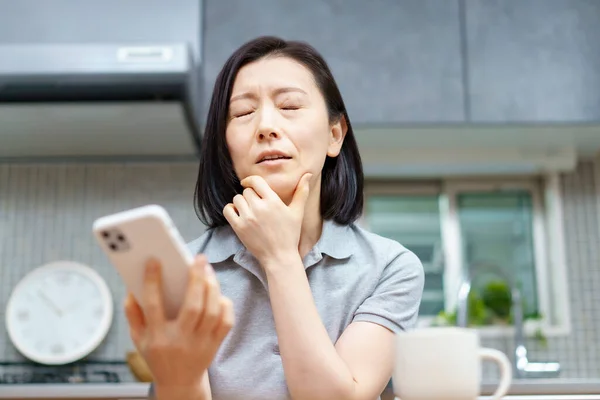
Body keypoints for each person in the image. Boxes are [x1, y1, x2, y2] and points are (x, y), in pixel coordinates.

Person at [123, 36, 425, 400]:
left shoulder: (390, 268)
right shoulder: (185, 271)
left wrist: (280, 257)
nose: (266, 126)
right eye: (244, 113)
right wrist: (178, 375)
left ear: (334, 135)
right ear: (226, 146)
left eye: (290, 106)